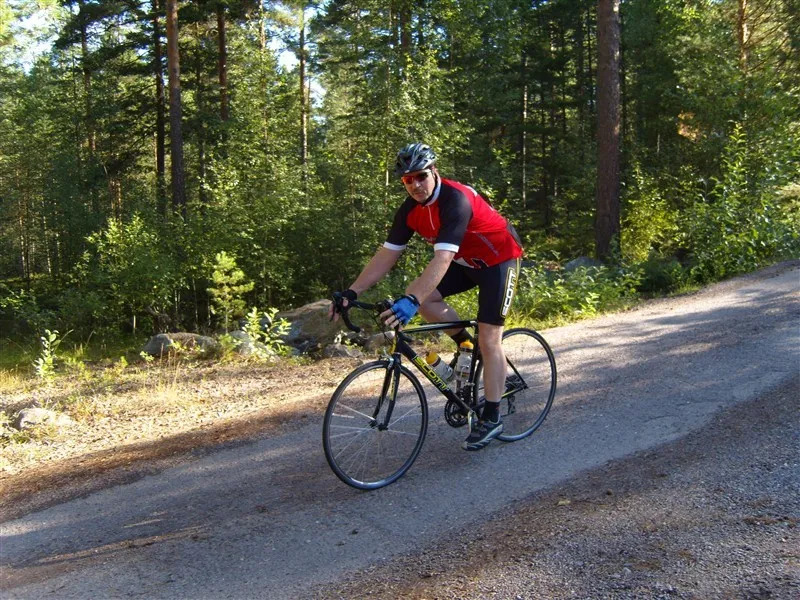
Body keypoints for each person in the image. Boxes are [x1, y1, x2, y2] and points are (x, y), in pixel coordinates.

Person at [329, 142, 523, 450]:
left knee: (489, 338)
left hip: (499, 261)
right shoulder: (410, 211)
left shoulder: (455, 199)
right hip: (465, 263)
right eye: (408, 180)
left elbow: (442, 258)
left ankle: (492, 417)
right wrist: (353, 291)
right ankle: (465, 342)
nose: (415, 185)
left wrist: (413, 299)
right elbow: (387, 255)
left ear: (434, 172)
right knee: (425, 298)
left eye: (421, 176)